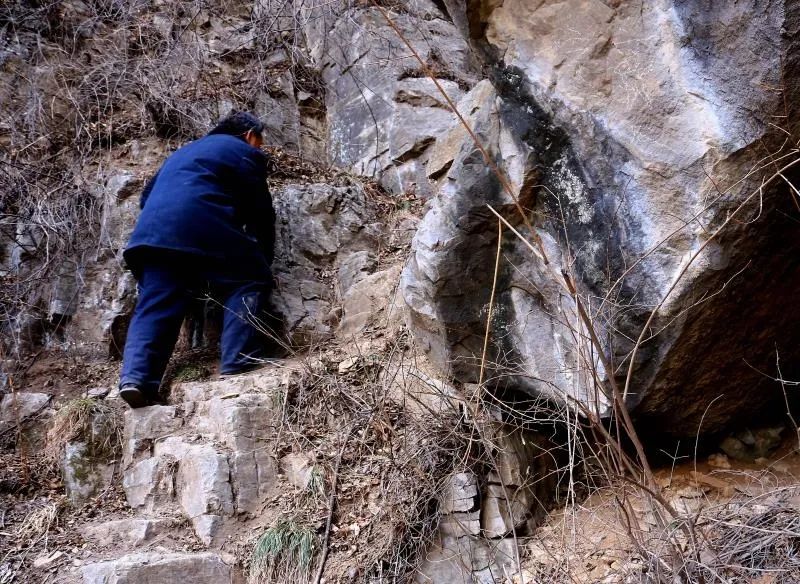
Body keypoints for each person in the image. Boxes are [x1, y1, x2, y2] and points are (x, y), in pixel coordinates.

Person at [118, 111, 276, 408]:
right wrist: (263, 259)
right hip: (201, 225)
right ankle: (237, 363)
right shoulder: (241, 151)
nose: (259, 148)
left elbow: (145, 197)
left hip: (151, 235)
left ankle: (136, 379)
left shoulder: (181, 154)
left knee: (158, 301)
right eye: (259, 142)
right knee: (250, 278)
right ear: (249, 135)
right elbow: (260, 213)